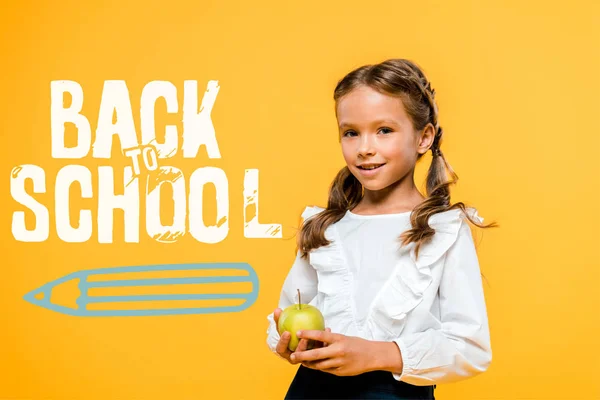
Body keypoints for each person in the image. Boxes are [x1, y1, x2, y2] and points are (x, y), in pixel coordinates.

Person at [265, 58, 498, 400]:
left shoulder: (443, 231)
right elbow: (287, 311)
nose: (364, 148)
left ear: (424, 137)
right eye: (351, 133)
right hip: (311, 390)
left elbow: (470, 346)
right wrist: (288, 344)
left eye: (384, 130)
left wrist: (376, 354)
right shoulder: (325, 229)